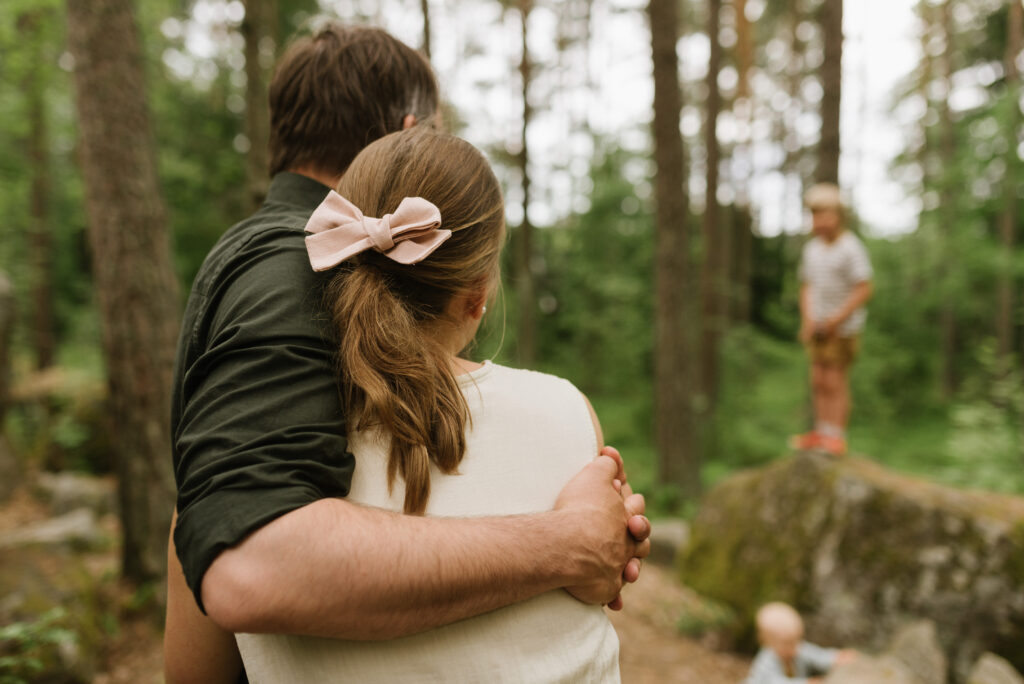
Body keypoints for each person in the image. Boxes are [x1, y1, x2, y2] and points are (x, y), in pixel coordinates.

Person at [164, 23, 649, 684]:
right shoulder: (292, 267)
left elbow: (212, 511)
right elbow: (247, 555)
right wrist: (568, 542)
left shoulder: (271, 259)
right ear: (408, 130)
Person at [789, 183, 873, 457]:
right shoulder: (812, 249)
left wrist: (836, 319)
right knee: (818, 378)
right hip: (817, 326)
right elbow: (806, 286)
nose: (820, 222)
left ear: (839, 216)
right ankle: (821, 431)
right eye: (815, 216)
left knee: (835, 379)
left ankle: (836, 436)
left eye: (826, 215)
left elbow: (864, 288)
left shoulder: (851, 247)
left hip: (842, 328)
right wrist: (808, 320)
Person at [745, 602, 857, 684]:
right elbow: (774, 682)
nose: (793, 647)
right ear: (768, 643)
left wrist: (835, 657)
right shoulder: (767, 659)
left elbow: (817, 655)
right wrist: (806, 682)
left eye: (796, 641)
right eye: (787, 643)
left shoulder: (797, 649)